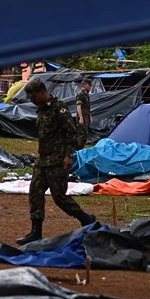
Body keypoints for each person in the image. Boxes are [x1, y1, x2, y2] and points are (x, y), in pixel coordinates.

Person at [17, 79, 96, 245]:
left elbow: (71, 133)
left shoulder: (59, 109)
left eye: (33, 97)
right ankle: (35, 232)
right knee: (35, 193)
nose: (31, 100)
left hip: (58, 161)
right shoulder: (41, 109)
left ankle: (86, 219)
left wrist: (68, 156)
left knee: (59, 197)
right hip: (43, 160)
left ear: (41, 93)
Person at [75, 78, 92, 149]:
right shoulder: (80, 94)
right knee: (81, 135)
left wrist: (90, 116)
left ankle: (80, 149)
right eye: (89, 85)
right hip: (82, 118)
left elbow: (87, 107)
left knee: (85, 135)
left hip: (86, 117)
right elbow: (78, 107)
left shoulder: (86, 94)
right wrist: (81, 118)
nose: (91, 86)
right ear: (85, 85)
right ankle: (77, 151)